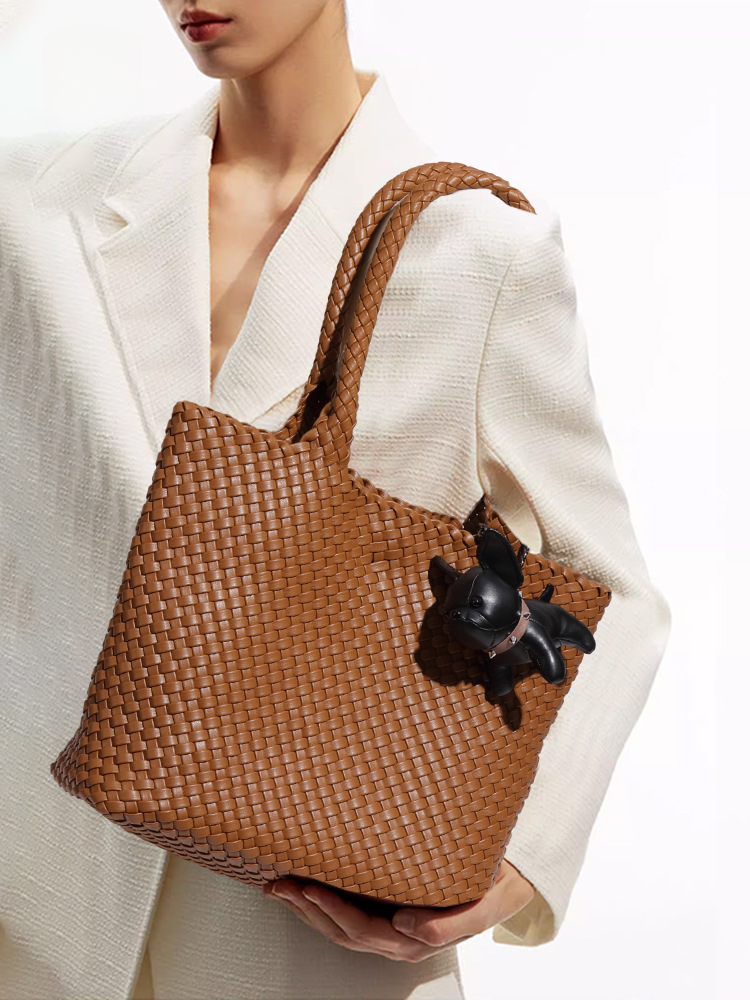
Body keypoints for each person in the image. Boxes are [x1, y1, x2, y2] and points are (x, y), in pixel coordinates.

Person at [0, 1, 672, 998]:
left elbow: (616, 593)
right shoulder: (33, 205)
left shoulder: (480, 254)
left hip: (310, 923)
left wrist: (517, 862)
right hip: (38, 902)